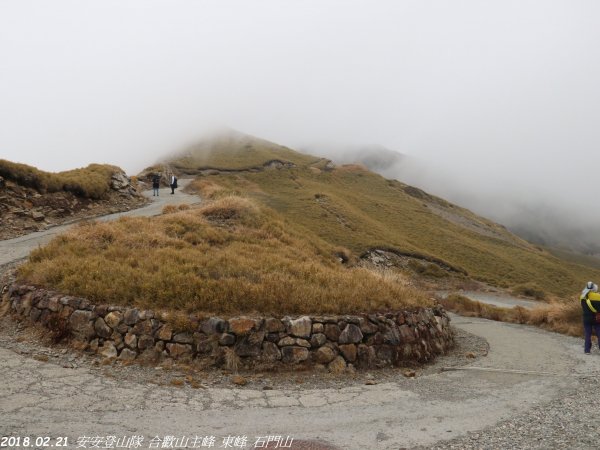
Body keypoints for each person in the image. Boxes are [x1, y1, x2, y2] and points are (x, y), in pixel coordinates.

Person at [580, 281, 600, 354]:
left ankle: (587, 350)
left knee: (588, 334)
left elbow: (582, 306)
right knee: (599, 333)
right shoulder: (598, 296)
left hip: (586, 318)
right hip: (597, 318)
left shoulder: (582, 296)